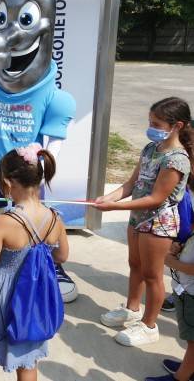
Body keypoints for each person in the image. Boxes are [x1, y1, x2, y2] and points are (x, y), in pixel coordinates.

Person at [96, 97, 194, 347]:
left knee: (152, 275)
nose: (151, 127)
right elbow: (131, 185)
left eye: (157, 123)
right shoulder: (150, 149)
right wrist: (107, 198)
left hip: (158, 224)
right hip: (137, 218)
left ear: (177, 126)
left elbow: (156, 198)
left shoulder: (177, 159)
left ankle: (149, 325)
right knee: (135, 264)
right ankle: (132, 308)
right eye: (150, 121)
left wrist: (114, 207)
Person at [0, 144, 69, 381]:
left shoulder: (2, 223)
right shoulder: (55, 218)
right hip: (34, 300)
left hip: (1, 300)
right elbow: (62, 256)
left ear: (8, 182)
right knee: (28, 360)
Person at [145, 236, 194, 381]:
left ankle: (181, 378)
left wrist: (173, 262)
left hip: (191, 295)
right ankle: (189, 368)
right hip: (186, 292)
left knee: (193, 341)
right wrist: (179, 249)